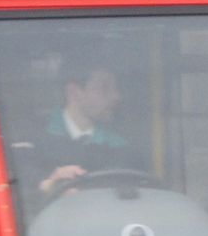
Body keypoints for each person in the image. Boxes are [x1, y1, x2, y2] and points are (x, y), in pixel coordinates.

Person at [30, 67, 135, 195]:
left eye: (115, 89)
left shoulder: (121, 145)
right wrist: (48, 185)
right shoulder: (32, 139)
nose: (116, 97)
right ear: (73, 92)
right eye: (104, 88)